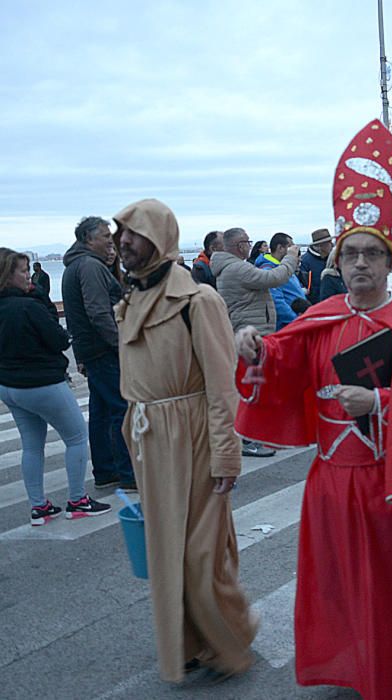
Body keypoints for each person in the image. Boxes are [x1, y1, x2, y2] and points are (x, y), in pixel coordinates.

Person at [233, 120, 392, 700]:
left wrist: (381, 401)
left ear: (389, 262)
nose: (361, 263)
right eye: (351, 253)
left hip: (387, 481)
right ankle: (345, 670)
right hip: (329, 480)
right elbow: (279, 367)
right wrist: (253, 350)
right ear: (338, 261)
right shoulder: (325, 315)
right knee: (334, 585)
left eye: (372, 254)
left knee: (387, 590)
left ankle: (385, 681)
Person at [112, 198, 258, 685]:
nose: (123, 242)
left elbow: (222, 385)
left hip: (194, 435)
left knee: (200, 553)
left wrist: (226, 454)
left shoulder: (200, 302)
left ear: (159, 238)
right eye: (120, 234)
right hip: (151, 442)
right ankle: (190, 645)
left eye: (133, 233)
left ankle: (232, 638)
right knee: (165, 551)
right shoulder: (129, 301)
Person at [0, 248, 111, 525]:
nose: (28, 276)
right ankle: (77, 500)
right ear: (7, 274)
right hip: (43, 381)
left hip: (9, 385)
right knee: (75, 437)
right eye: (23, 271)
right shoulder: (28, 307)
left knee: (31, 445)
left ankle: (39, 507)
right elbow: (59, 339)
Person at [62, 216, 136, 490]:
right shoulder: (90, 266)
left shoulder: (76, 266)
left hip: (91, 349)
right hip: (104, 349)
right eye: (105, 235)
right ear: (88, 239)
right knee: (121, 408)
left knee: (102, 410)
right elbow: (98, 312)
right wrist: (120, 344)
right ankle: (128, 473)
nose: (110, 240)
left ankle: (106, 470)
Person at [211, 227, 299, 457]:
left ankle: (255, 435)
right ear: (240, 245)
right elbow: (274, 278)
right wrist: (290, 259)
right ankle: (248, 439)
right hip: (250, 332)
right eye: (247, 242)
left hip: (250, 330)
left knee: (255, 384)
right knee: (251, 387)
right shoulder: (237, 268)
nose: (250, 246)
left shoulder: (230, 267)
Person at [255, 232, 307, 330]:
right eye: (290, 247)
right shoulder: (269, 271)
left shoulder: (284, 267)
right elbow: (277, 302)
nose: (294, 251)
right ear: (280, 248)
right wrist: (296, 320)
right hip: (287, 326)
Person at [300, 228, 333, 304]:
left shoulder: (334, 258)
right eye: (329, 242)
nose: (332, 244)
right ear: (320, 245)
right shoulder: (304, 262)